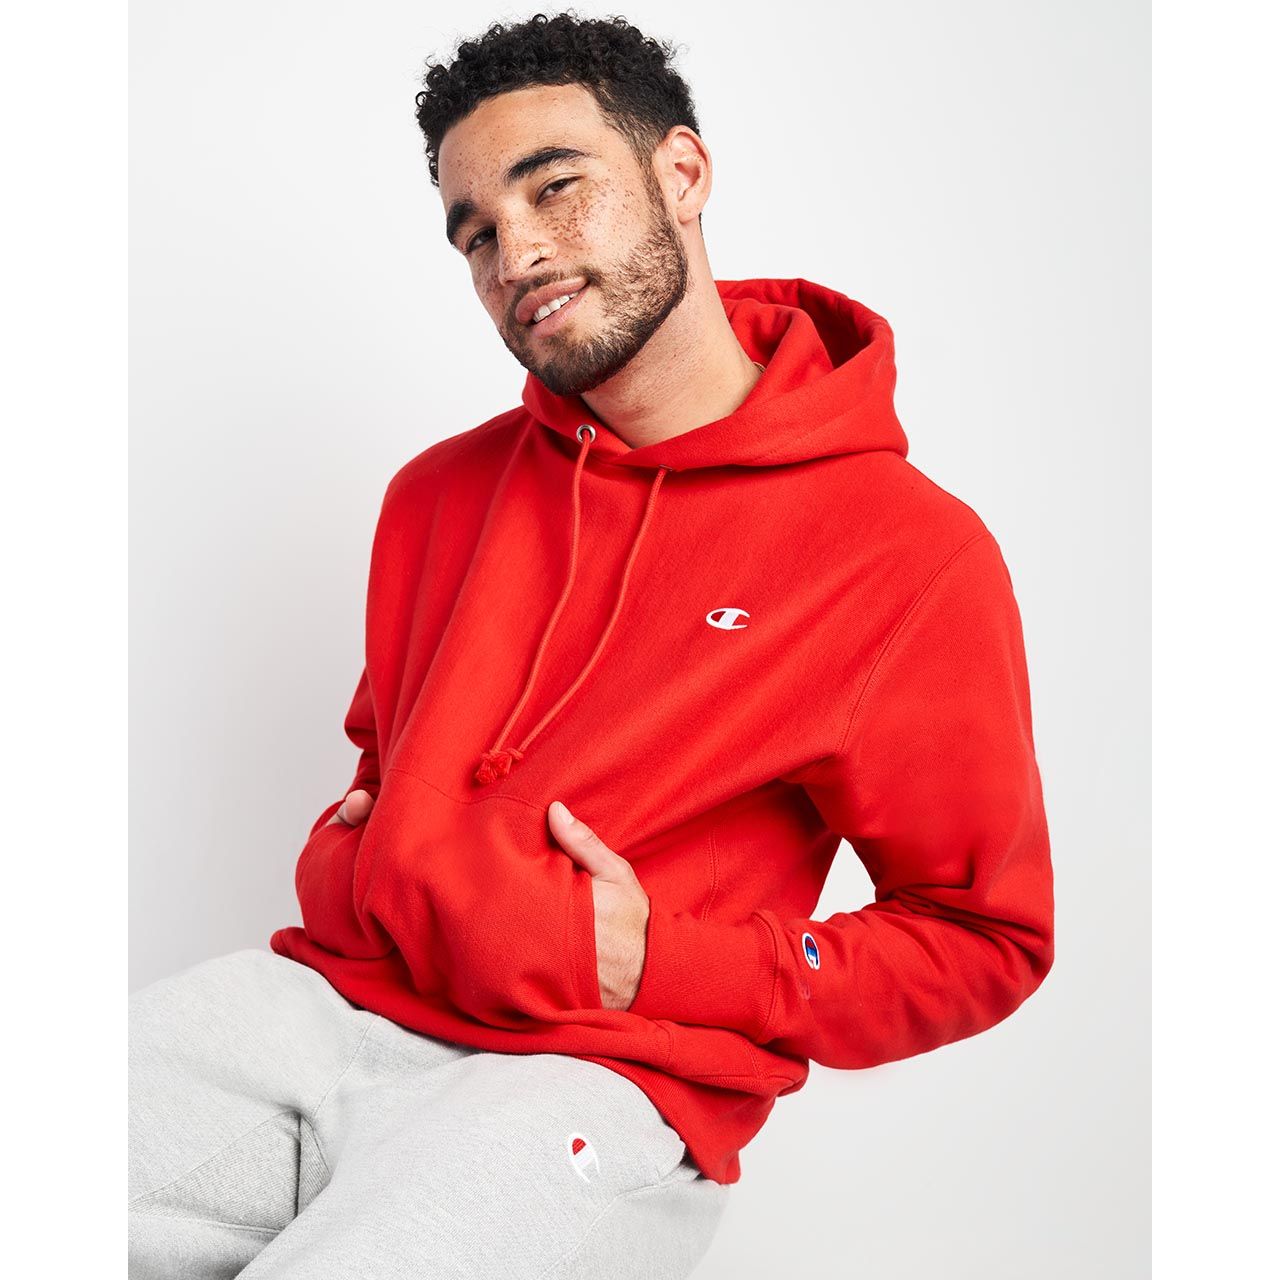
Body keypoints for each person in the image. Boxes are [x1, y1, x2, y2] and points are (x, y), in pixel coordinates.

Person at [129, 11, 1056, 1279]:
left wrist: (657, 959)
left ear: (682, 172)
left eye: (553, 186)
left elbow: (981, 938)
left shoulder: (904, 553)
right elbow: (385, 765)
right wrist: (360, 856)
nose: (514, 252)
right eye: (473, 232)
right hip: (322, 1006)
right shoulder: (434, 495)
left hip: (598, 1076)